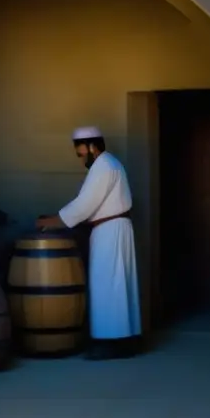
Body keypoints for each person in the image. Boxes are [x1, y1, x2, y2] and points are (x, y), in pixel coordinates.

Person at [37, 127, 142, 360]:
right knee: (117, 286)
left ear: (93, 147)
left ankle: (110, 342)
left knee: (108, 286)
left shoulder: (103, 167)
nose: (81, 158)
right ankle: (125, 340)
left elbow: (84, 205)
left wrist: (55, 221)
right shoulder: (108, 164)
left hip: (110, 233)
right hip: (112, 230)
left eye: (81, 152)